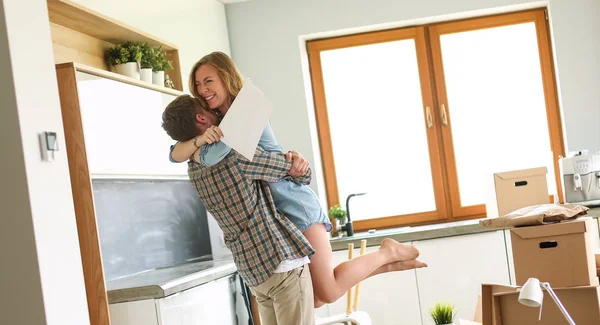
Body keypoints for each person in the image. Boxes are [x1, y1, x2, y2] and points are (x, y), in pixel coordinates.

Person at [168, 51, 427, 309]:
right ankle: (387, 261)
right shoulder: (221, 120)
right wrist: (198, 141)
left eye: (208, 81)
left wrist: (198, 144)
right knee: (314, 297)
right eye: (198, 84)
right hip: (276, 216)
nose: (202, 89)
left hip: (294, 203)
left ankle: (387, 253)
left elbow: (205, 156)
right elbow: (173, 154)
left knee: (327, 291)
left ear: (225, 77)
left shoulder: (247, 106)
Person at [162, 96, 316, 324]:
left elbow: (174, 153)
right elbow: (299, 174)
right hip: (279, 259)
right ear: (201, 117)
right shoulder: (235, 156)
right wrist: (297, 161)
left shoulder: (193, 168)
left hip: (254, 273)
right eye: (209, 108)